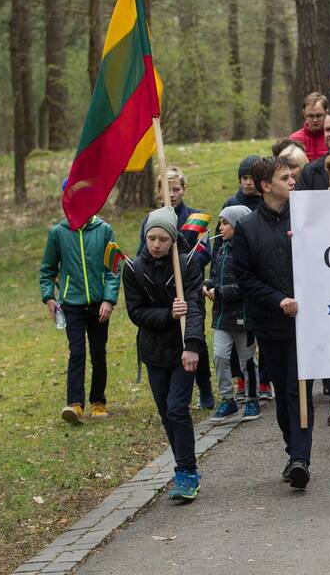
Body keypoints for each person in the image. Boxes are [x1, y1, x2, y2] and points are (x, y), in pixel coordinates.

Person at [232, 156, 313, 489]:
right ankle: (291, 448)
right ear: (266, 186)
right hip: (270, 321)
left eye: (293, 176)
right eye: (285, 177)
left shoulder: (306, 218)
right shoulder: (247, 228)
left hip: (306, 324)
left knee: (299, 390)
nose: (292, 181)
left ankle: (301, 459)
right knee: (282, 394)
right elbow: (244, 277)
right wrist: (277, 299)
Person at [122, 206, 206, 500]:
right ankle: (187, 466)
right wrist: (168, 314)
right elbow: (137, 313)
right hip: (154, 351)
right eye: (151, 238)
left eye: (162, 239)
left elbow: (195, 307)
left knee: (177, 408)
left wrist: (192, 345)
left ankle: (185, 471)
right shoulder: (133, 269)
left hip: (184, 349)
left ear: (173, 240)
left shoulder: (187, 265)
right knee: (166, 414)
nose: (156, 245)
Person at [135, 166, 214, 408]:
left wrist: (186, 265)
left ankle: (205, 387)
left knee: (194, 337)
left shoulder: (195, 217)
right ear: (159, 192)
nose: (172, 194)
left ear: (184, 189)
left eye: (176, 189)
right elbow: (142, 254)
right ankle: (175, 391)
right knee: (170, 339)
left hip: (189, 288)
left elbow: (205, 251)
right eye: (167, 190)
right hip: (161, 292)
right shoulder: (151, 221)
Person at [39, 204, 120, 424]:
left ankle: (98, 402)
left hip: (98, 305)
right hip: (71, 304)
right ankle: (75, 404)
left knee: (98, 352)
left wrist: (109, 299)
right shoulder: (58, 233)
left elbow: (113, 268)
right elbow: (48, 269)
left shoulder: (104, 230)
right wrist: (49, 297)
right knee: (77, 353)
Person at [205, 205, 260, 423]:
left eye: (225, 223)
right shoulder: (221, 250)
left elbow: (246, 286)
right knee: (219, 356)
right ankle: (227, 399)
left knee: (246, 359)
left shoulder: (248, 253)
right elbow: (215, 276)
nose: (221, 227)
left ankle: (252, 398)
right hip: (221, 316)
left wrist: (218, 292)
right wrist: (208, 285)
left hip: (243, 317)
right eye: (220, 222)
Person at [288, 92, 330, 162]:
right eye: (311, 116)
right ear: (304, 114)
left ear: (326, 113)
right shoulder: (294, 140)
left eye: (319, 116)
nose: (315, 120)